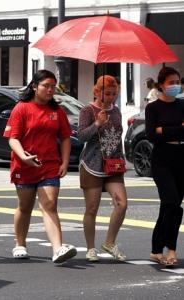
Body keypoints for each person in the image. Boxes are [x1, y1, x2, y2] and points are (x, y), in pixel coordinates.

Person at [3, 69, 77, 263]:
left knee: (50, 205)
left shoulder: (57, 111)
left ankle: (58, 249)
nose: (50, 90)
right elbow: (13, 139)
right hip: (25, 165)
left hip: (50, 165)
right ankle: (20, 244)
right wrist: (23, 157)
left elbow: (66, 137)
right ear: (35, 87)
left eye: (53, 86)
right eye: (46, 86)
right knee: (25, 206)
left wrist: (65, 161)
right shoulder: (22, 108)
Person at [78, 75, 128, 262]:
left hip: (113, 165)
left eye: (114, 94)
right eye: (107, 93)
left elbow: (117, 137)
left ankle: (109, 242)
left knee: (122, 204)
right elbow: (81, 136)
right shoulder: (87, 110)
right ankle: (90, 248)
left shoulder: (116, 111)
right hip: (92, 164)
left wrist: (121, 159)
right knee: (92, 208)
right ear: (97, 92)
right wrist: (97, 123)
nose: (111, 97)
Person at [146, 66, 184, 267]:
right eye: (171, 82)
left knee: (173, 205)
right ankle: (168, 249)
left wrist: (165, 130)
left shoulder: (182, 104)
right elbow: (152, 136)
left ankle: (159, 249)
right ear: (162, 85)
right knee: (171, 202)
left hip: (181, 157)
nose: (175, 86)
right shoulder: (152, 108)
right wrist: (177, 129)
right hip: (161, 159)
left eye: (177, 82)